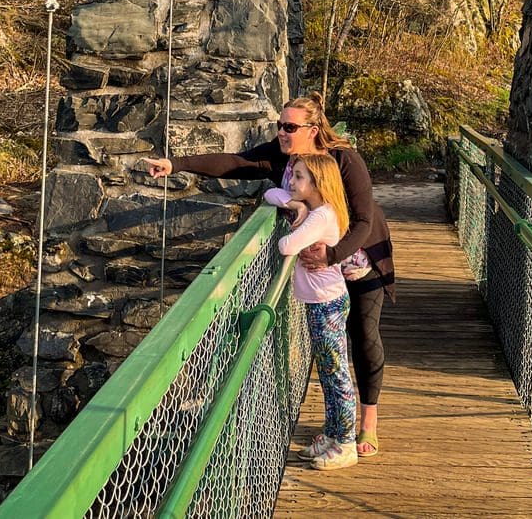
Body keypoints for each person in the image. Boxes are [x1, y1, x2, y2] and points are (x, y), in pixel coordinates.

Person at [142, 92, 392, 458]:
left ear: (312, 129)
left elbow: (365, 220)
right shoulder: (285, 158)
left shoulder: (344, 159)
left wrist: (332, 255)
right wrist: (175, 164)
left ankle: (367, 423)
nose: (281, 133)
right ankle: (337, 428)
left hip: (360, 260)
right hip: (321, 270)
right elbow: (235, 163)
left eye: (290, 127)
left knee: (364, 335)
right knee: (333, 354)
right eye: (279, 125)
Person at [267, 152, 357, 470]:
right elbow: (271, 193)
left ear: (318, 183)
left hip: (328, 303)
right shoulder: (315, 211)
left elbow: (286, 246)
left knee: (336, 374)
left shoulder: (322, 217)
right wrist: (297, 204)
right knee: (328, 373)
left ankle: (346, 443)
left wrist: (300, 214)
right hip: (320, 303)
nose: (292, 181)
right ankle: (333, 435)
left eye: (300, 177)